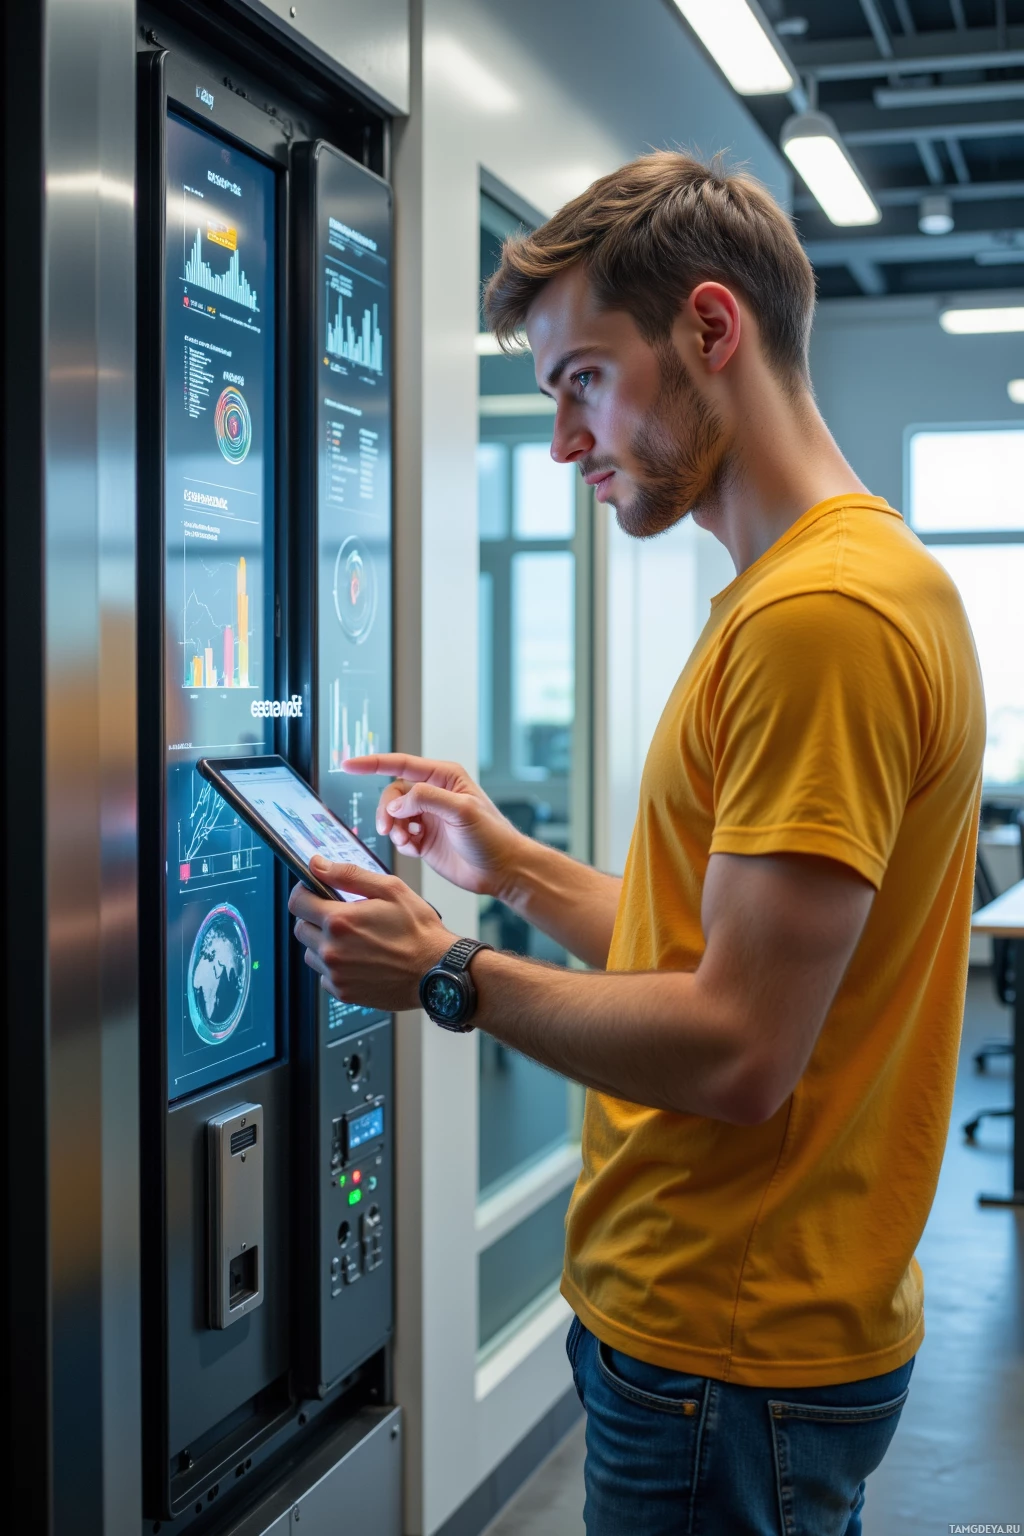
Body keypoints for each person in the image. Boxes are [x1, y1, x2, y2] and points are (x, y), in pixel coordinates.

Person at [289, 151, 985, 1535]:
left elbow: (736, 1050)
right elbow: (725, 961)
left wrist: (448, 974)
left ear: (710, 331)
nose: (561, 441)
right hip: (727, 1333)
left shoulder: (820, 621)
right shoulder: (814, 590)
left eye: (581, 380)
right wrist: (514, 868)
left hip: (724, 1348)